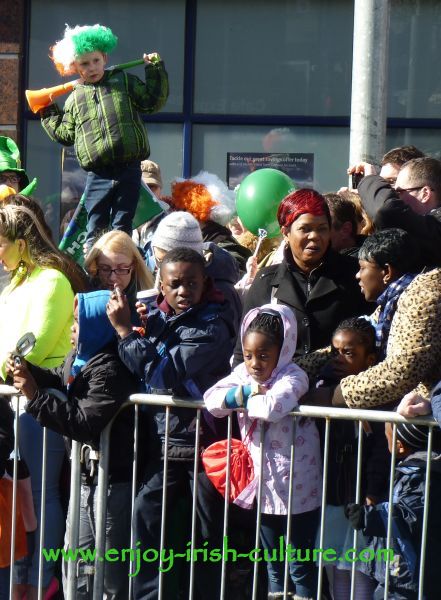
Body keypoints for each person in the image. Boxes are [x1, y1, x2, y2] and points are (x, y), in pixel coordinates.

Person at [106, 247, 236, 600]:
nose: (183, 292)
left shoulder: (212, 324)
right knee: (146, 521)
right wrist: (141, 329)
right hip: (165, 442)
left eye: (191, 284)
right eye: (175, 284)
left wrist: (125, 333)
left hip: (203, 445)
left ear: (205, 283)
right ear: (161, 286)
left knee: (208, 537)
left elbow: (162, 375)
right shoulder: (163, 317)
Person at [8, 289, 140, 599]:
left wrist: (33, 395)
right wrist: (31, 373)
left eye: (78, 322)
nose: (72, 328)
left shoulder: (111, 367)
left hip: (110, 482)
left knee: (107, 572)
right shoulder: (82, 357)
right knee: (77, 566)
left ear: (98, 324)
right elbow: (59, 378)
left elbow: (82, 422)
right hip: (84, 477)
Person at [0, 203, 87, 598]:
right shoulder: (18, 280)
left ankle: (40, 575)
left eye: (1, 245)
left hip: (38, 400)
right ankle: (21, 572)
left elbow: (29, 350)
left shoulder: (53, 280)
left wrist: (6, 367)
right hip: (10, 399)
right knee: (17, 492)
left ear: (21, 243)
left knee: (41, 493)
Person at [204, 305, 321, 600]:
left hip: (300, 490)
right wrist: (239, 394)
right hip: (265, 489)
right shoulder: (243, 374)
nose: (255, 364)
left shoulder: (294, 376)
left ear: (283, 351)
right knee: (273, 564)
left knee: (300, 565)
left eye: (264, 356)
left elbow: (271, 408)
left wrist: (245, 396)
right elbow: (211, 401)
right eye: (248, 355)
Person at [40, 24, 169, 249]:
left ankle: (122, 270)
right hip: (98, 173)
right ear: (75, 67)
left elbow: (151, 101)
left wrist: (154, 69)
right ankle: (94, 272)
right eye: (84, 64)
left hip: (129, 168)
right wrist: (47, 110)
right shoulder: (74, 98)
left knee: (122, 224)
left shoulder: (124, 81)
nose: (92, 68)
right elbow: (65, 135)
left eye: (96, 61)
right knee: (95, 225)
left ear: (105, 57)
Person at [299, 228, 441, 413]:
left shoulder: (423, 297)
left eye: (363, 268)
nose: (357, 275)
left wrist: (332, 395)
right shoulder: (390, 304)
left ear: (386, 272)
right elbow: (348, 343)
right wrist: (291, 371)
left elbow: (401, 373)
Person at [233, 188, 370, 366]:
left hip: (337, 387)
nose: (314, 236)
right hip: (280, 389)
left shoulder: (354, 275)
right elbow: (243, 351)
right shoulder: (267, 281)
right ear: (285, 232)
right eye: (305, 229)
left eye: (322, 229)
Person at [309, 317, 384, 600]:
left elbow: (380, 452)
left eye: (349, 353)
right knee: (335, 568)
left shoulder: (377, 399)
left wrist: (373, 493)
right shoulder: (323, 388)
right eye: (335, 351)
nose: (339, 359)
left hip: (362, 500)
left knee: (360, 568)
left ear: (370, 359)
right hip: (333, 497)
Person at [346, 420, 441, 600]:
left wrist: (367, 518)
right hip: (398, 569)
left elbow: (409, 516)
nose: (384, 439)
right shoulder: (412, 469)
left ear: (399, 446)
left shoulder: (421, 476)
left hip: (411, 574)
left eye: (386, 436)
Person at [149, 210, 243, 331]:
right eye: (156, 259)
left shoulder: (220, 293)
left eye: (162, 261)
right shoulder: (169, 282)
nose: (158, 268)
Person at [353, 156, 441, 268]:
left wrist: (370, 179)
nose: (395, 198)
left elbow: (386, 211)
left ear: (425, 194)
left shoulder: (436, 228)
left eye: (398, 192)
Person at [170, 171, 252, 275]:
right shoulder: (196, 242)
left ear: (199, 213)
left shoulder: (223, 249)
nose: (180, 216)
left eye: (184, 210)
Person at [84, 229, 154, 311]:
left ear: (134, 265)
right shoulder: (85, 298)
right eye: (105, 269)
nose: (112, 278)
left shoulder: (150, 303)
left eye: (121, 269)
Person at [324, 193, 367, 257]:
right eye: (307, 228)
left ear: (345, 229)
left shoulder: (366, 263)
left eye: (322, 228)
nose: (313, 236)